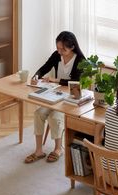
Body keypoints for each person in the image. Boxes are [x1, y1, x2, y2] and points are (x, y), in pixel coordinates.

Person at [25, 31, 85, 163]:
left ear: (72, 47)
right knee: (38, 113)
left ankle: (58, 149)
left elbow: (77, 82)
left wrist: (55, 80)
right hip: (55, 94)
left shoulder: (81, 60)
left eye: (63, 49)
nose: (59, 51)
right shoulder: (57, 55)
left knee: (55, 116)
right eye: (58, 48)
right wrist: (36, 76)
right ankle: (39, 151)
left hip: (71, 98)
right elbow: (45, 67)